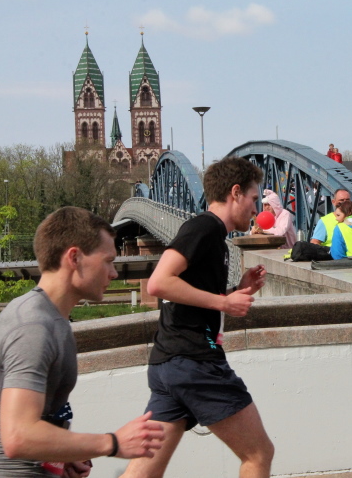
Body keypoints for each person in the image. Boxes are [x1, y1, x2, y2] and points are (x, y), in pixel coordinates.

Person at [122, 157, 274, 478]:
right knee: (258, 454)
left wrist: (237, 290)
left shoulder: (213, 237)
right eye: (252, 198)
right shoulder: (204, 227)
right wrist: (224, 303)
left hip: (168, 363)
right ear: (235, 192)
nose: (255, 207)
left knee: (144, 473)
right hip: (195, 362)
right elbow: (159, 283)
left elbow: (190, 293)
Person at [0, 207, 165, 476]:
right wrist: (112, 443)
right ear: (74, 257)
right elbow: (18, 436)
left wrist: (65, 455)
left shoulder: (52, 319)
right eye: (107, 261)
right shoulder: (33, 327)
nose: (113, 273)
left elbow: (36, 420)